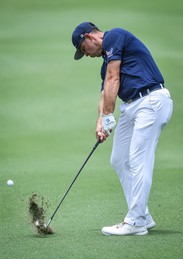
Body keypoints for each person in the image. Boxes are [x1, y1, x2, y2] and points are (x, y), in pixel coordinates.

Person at [71, 22, 173, 236]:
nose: (86, 55)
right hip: (131, 106)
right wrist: (101, 123)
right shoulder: (105, 63)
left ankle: (135, 222)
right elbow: (104, 93)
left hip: (151, 100)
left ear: (89, 37)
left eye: (83, 49)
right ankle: (143, 215)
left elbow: (113, 78)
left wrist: (108, 115)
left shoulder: (115, 36)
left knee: (138, 159)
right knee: (118, 159)